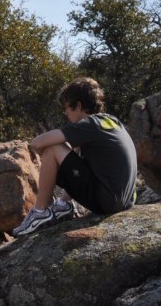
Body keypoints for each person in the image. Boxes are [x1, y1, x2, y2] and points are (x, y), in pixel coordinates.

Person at [12, 77, 137, 237]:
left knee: (53, 149)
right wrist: (63, 198)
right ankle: (63, 205)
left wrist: (48, 159)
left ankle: (40, 211)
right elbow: (86, 167)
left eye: (67, 108)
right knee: (69, 152)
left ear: (78, 105)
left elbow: (37, 143)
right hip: (125, 201)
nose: (66, 113)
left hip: (107, 202)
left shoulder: (89, 125)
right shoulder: (111, 121)